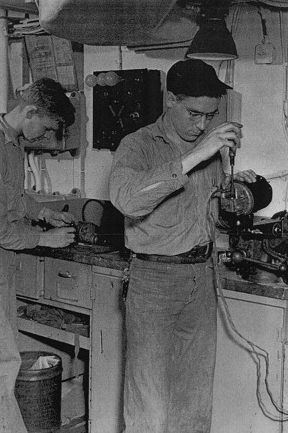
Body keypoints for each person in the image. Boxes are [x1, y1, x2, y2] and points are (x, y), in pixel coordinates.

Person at [109, 59, 257, 433]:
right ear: (170, 98)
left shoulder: (210, 150)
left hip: (201, 278)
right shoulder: (138, 145)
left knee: (193, 403)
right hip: (154, 280)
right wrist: (196, 155)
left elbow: (207, 210)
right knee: (150, 406)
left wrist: (235, 188)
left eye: (210, 116)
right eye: (194, 114)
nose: (202, 124)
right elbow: (127, 200)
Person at [0, 77, 78, 433]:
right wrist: (45, 240)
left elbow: (14, 198)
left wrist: (45, 213)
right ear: (31, 111)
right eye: (46, 127)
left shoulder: (9, 145)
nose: (44, 136)